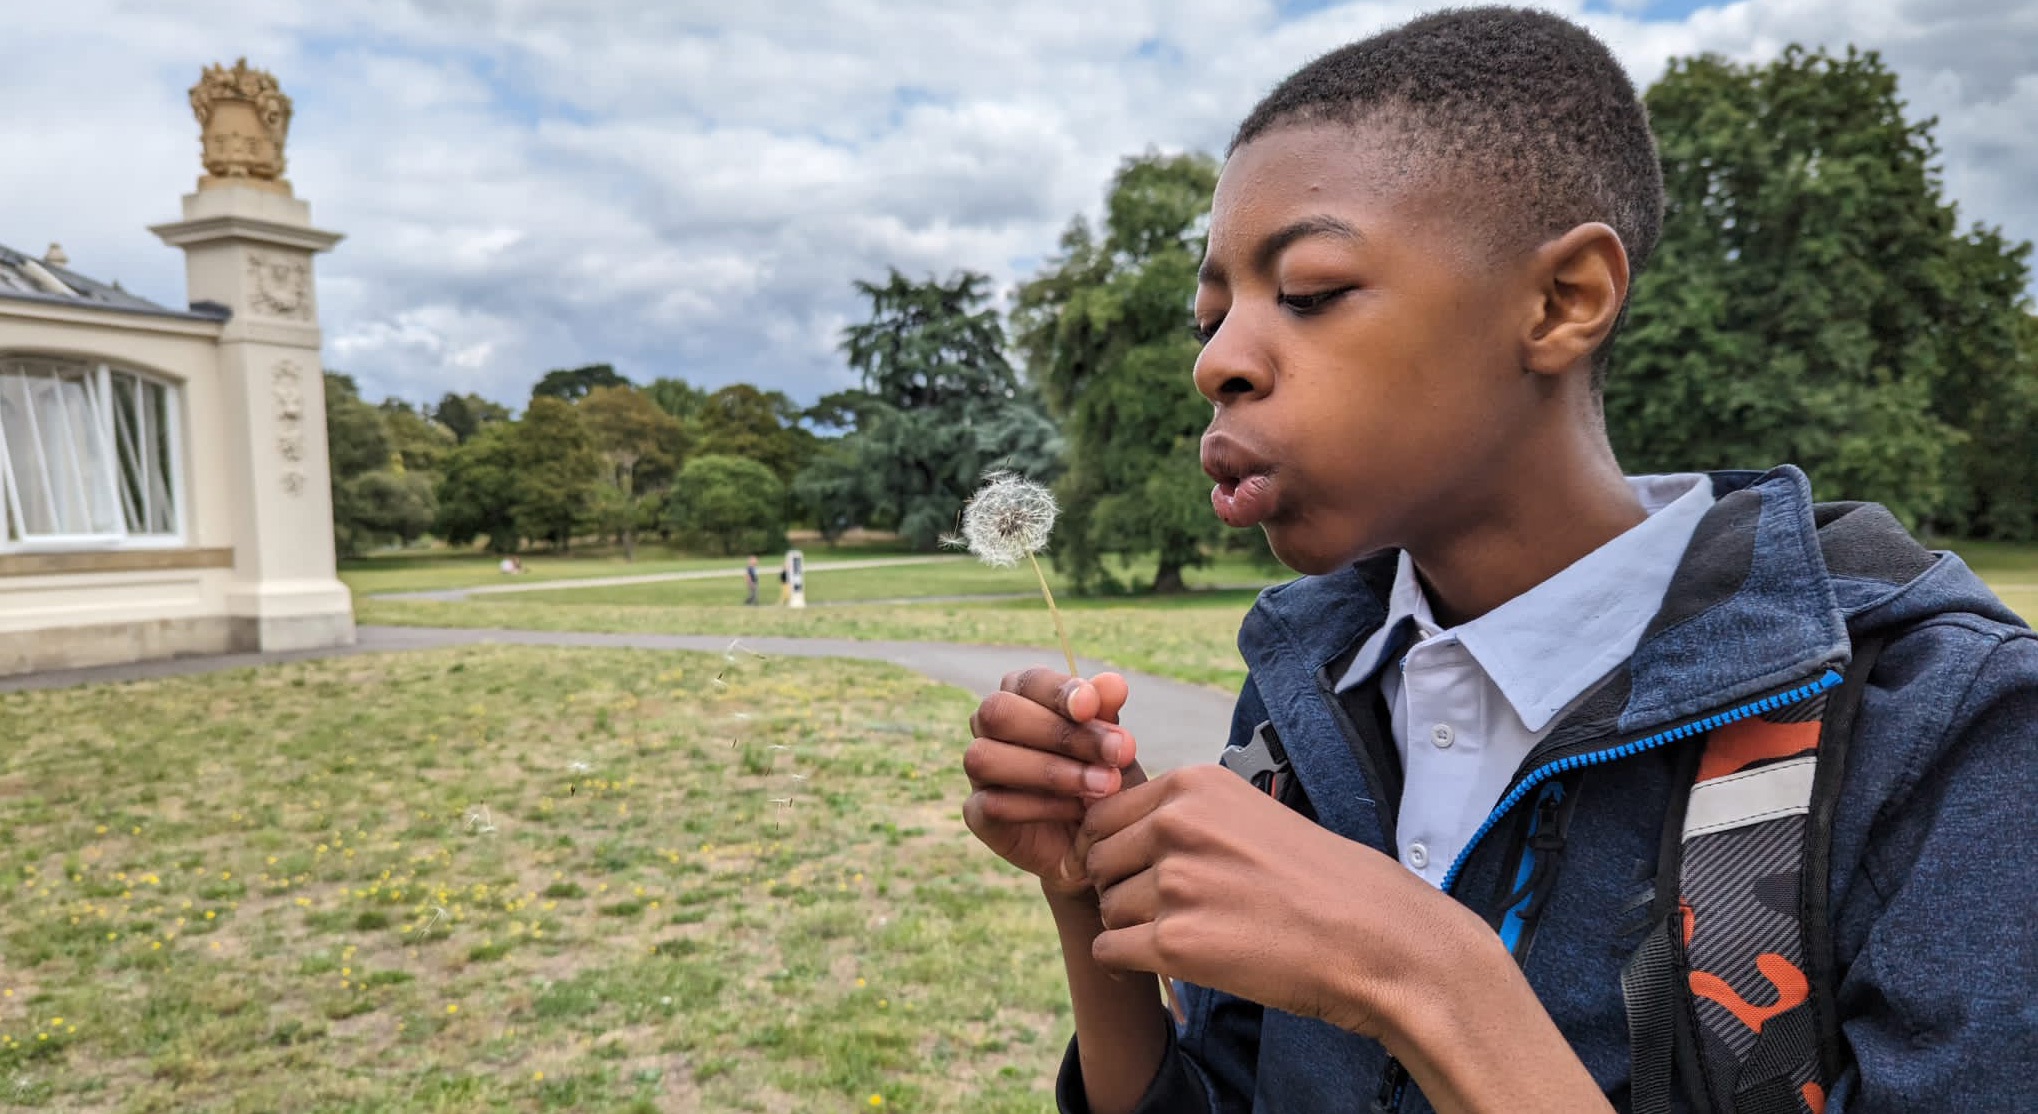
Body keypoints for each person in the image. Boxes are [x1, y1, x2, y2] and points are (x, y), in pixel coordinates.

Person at [960, 9, 2036, 1114]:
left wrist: (1422, 977)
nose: (1218, 361)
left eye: (1312, 291)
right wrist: (1093, 904)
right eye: (1211, 315)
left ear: (1562, 300)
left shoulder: (1945, 728)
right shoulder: (1306, 689)